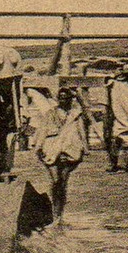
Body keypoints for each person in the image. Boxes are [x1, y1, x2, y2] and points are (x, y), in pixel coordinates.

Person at [34, 87, 87, 222]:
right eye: (61, 98)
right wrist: (39, 147)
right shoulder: (50, 113)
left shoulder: (75, 115)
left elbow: (81, 131)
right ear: (58, 99)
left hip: (69, 149)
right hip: (51, 148)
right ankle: (54, 209)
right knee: (55, 180)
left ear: (70, 100)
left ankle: (59, 212)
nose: (63, 100)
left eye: (66, 98)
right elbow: (43, 130)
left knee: (63, 182)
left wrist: (85, 148)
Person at [106, 68, 128, 171]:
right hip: (124, 117)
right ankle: (116, 164)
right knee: (117, 140)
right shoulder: (120, 86)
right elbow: (126, 104)